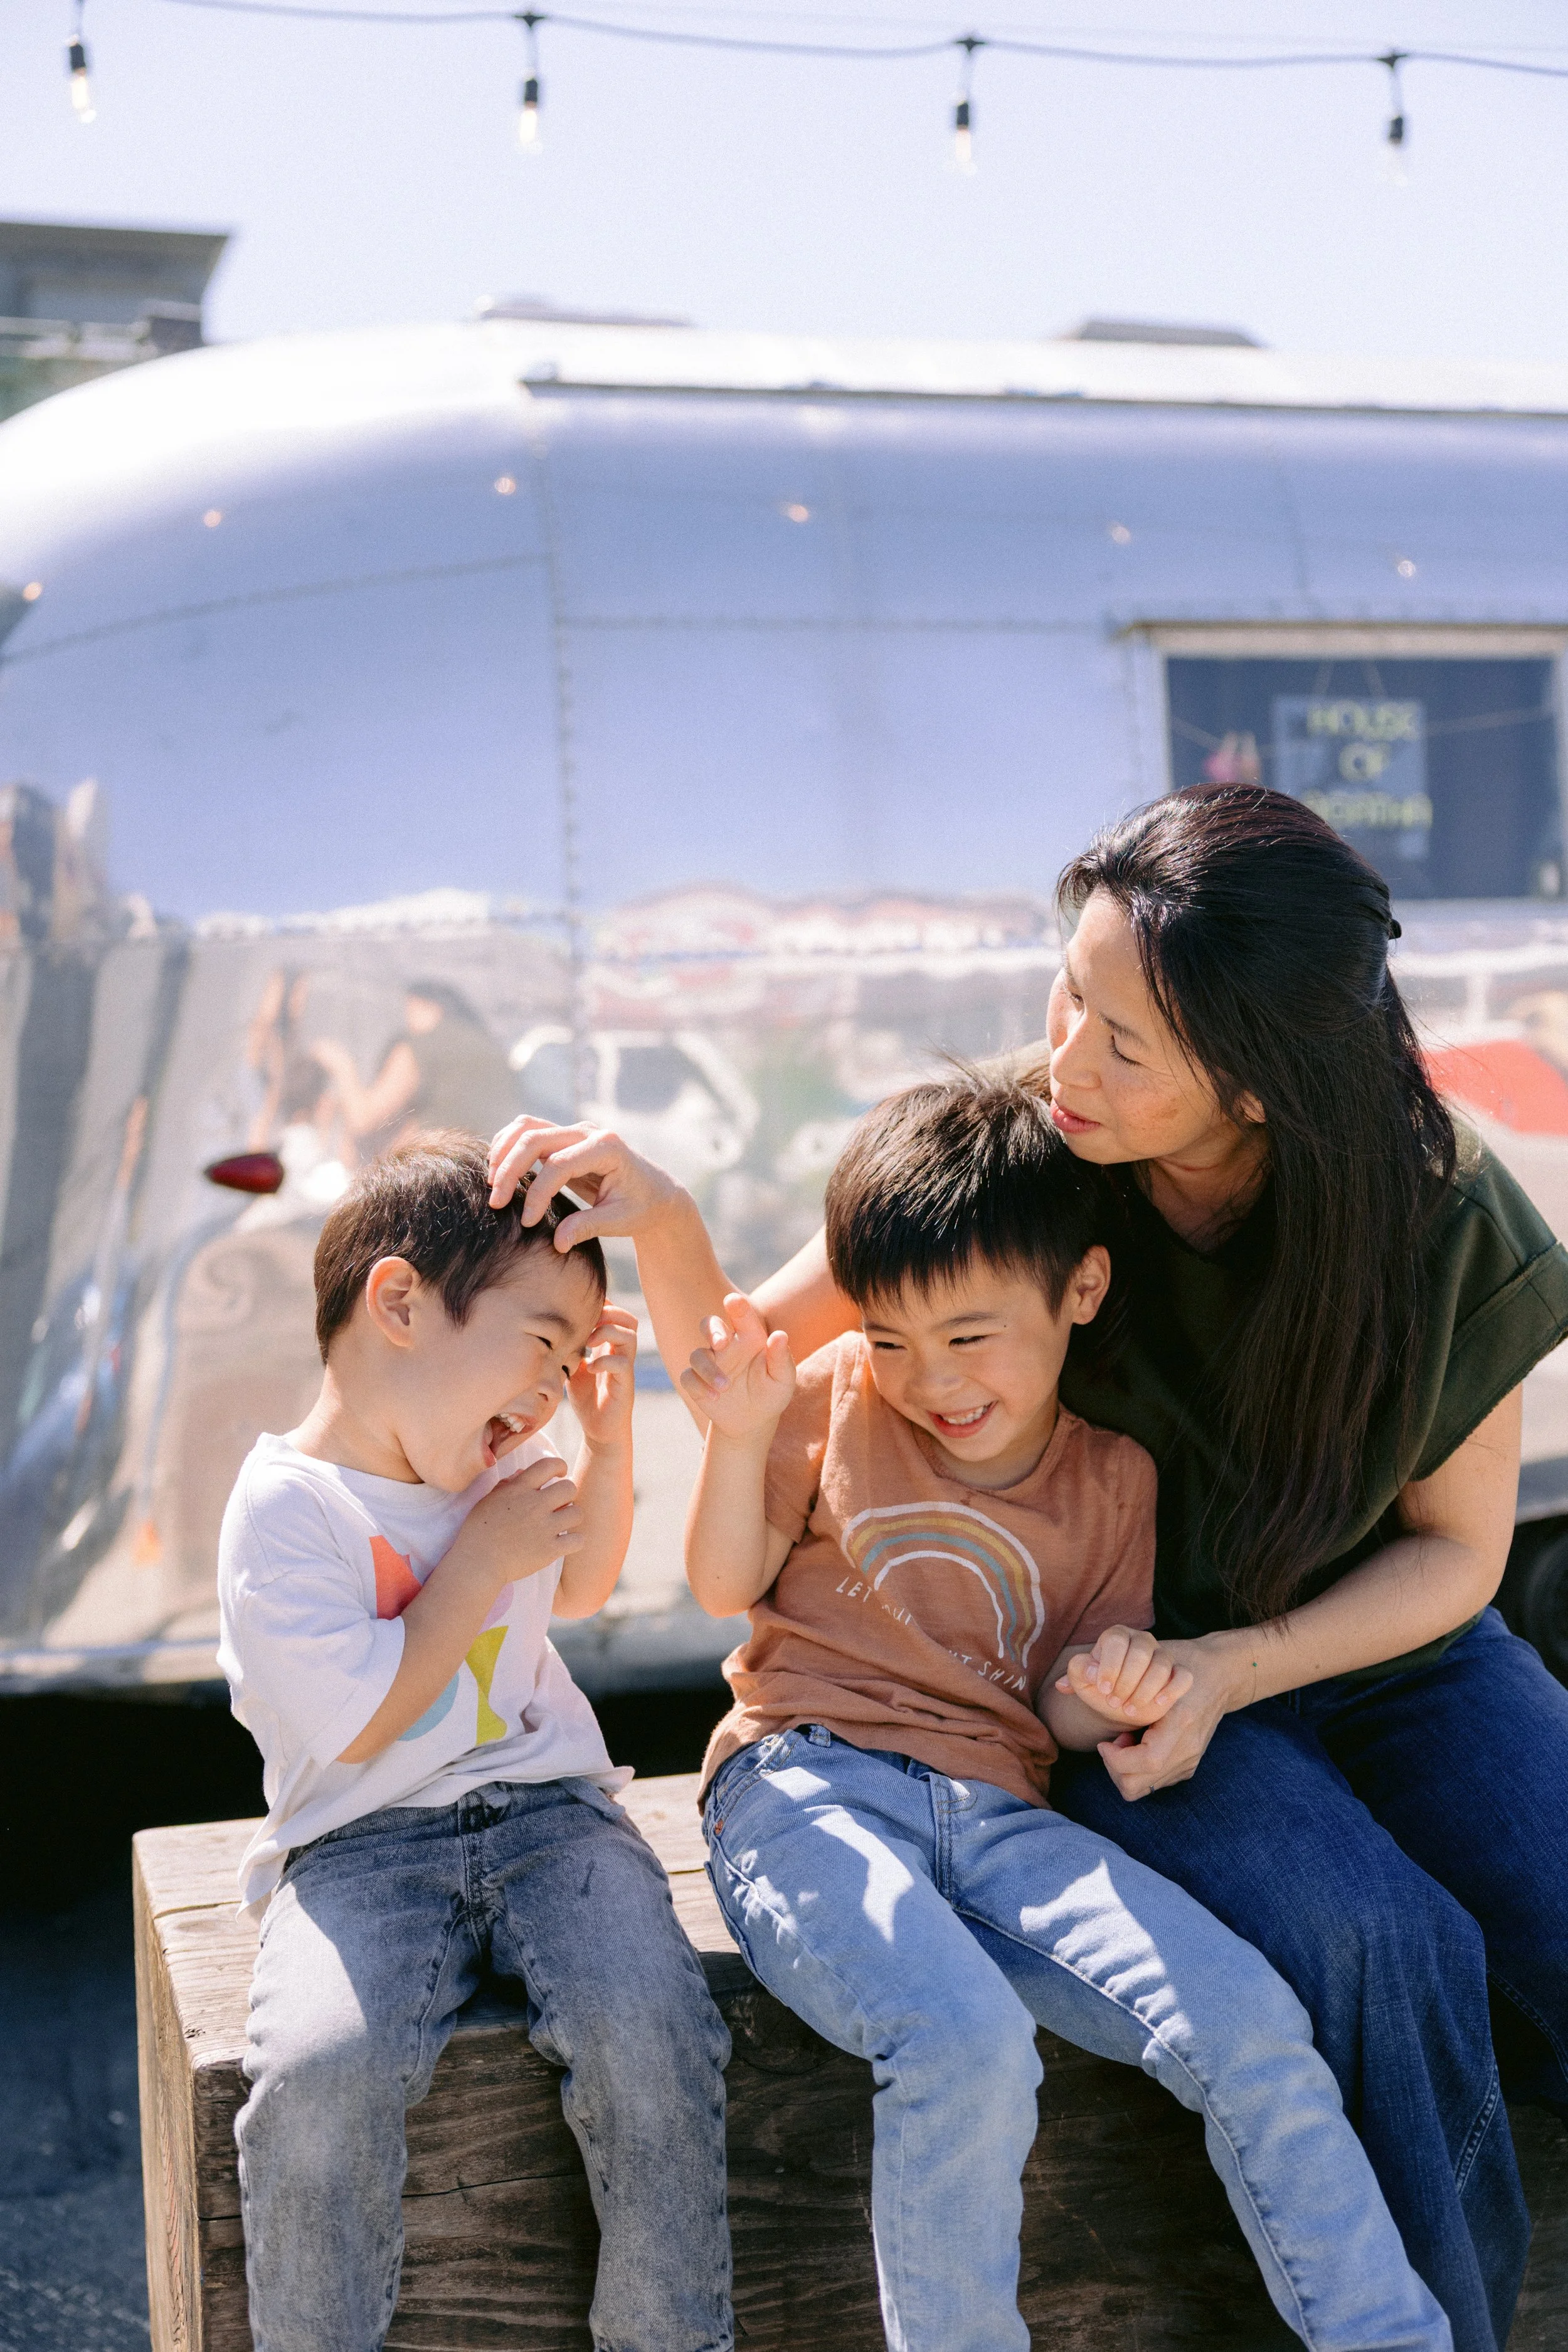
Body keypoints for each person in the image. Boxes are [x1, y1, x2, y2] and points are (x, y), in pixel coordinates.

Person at [485, 785, 1568, 2352]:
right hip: (1118, 1669)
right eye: (1071, 991)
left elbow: (1460, 1553)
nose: (1066, 1055)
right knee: (1380, 1942)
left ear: (1258, 1089)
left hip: (1373, 1643)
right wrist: (658, 1211)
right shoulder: (1027, 1146)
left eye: (1123, 1041)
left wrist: (1241, 1663)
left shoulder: (1442, 1208)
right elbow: (759, 1354)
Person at [675, 1071, 1452, 2352]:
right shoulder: (825, 1398)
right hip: (803, 1785)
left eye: (967, 1336)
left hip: (995, 1814)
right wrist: (736, 1435)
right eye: (889, 1338)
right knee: (961, 2037)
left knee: (1248, 2022)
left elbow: (1052, 1704)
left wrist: (1109, 1692)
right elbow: (720, 1585)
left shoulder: (1114, 1477)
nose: (929, 1379)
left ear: (1079, 1292)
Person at [218, 1133, 733, 2352]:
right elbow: (358, 1722)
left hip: (553, 1812)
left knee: (652, 2026)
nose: (552, 1387)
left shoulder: (503, 1459)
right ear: (399, 1303)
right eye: (540, 1341)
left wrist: (603, 1450)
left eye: (571, 1361)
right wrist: (479, 1561)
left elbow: (591, 1578)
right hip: (360, 1844)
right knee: (316, 2075)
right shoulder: (287, 1506)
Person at [311, 980, 518, 1157]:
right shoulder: (490, 1048)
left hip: (438, 1178)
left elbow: (364, 1120)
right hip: (494, 1170)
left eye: (409, 1010)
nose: (406, 1021)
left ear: (430, 1007)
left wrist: (342, 1066)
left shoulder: (423, 1045)